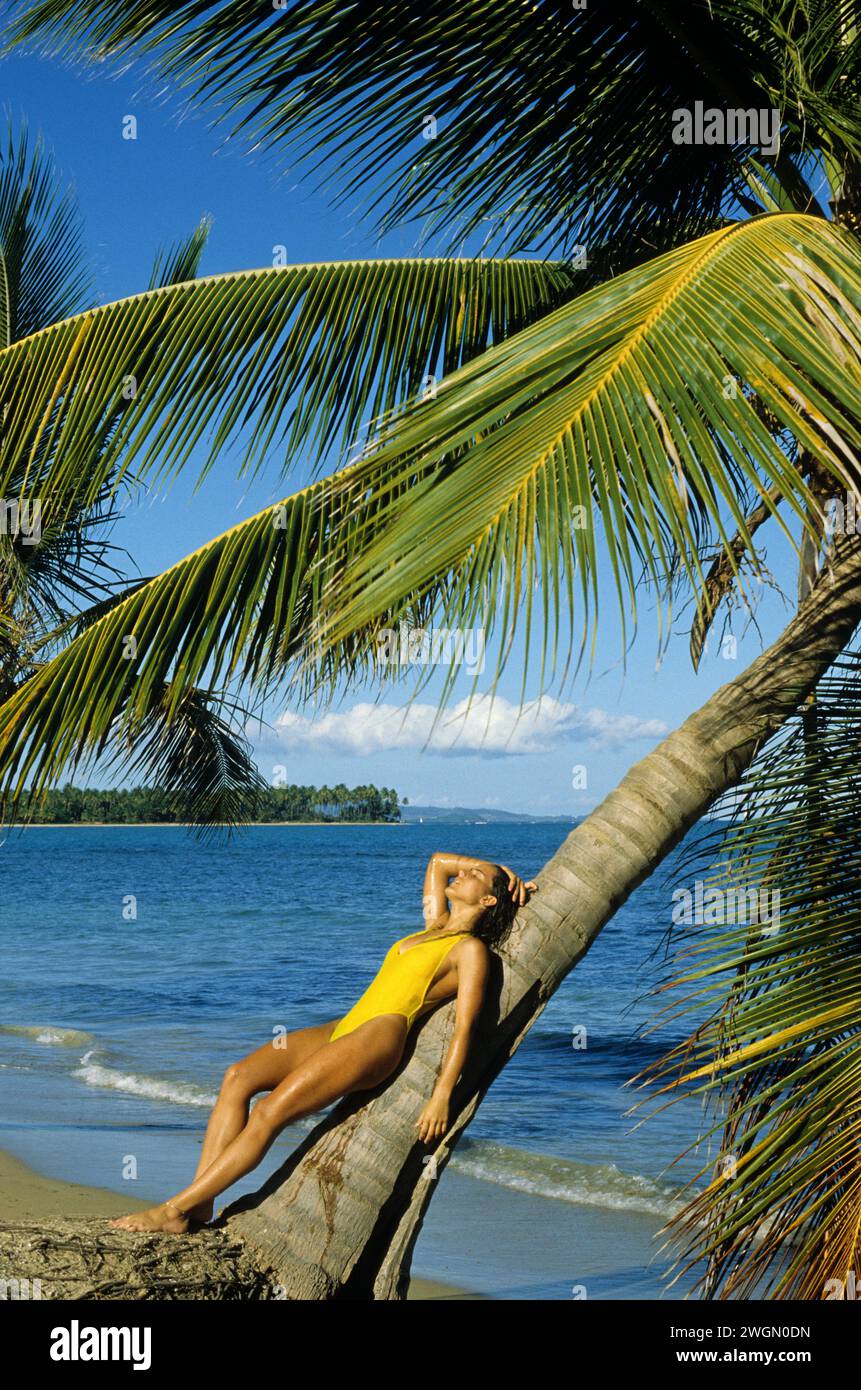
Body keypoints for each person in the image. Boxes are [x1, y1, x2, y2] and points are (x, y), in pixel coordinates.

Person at [109, 852, 537, 1233]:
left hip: (378, 1037)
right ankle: (200, 1207)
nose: (463, 873)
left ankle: (173, 1210)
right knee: (237, 1076)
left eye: (476, 877)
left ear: (488, 902)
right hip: (345, 1026)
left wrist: (442, 1095)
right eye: (470, 870)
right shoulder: (433, 925)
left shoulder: (470, 951)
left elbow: (465, 1028)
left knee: (269, 1112)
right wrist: (501, 871)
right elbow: (438, 861)